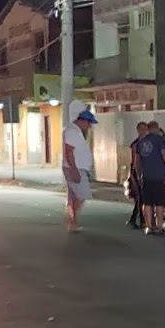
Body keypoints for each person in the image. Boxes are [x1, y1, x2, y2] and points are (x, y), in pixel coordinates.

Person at [132, 120, 165, 235]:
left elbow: (136, 162)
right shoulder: (159, 140)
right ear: (156, 128)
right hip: (158, 176)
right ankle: (159, 226)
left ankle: (149, 227)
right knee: (159, 202)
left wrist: (139, 175)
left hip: (146, 177)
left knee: (147, 202)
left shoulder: (141, 142)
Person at [61, 100, 96, 233]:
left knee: (73, 196)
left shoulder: (75, 131)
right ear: (82, 121)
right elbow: (69, 151)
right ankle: (72, 219)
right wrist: (74, 169)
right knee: (82, 195)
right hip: (76, 168)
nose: (89, 126)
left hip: (76, 167)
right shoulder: (72, 131)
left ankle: (72, 221)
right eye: (89, 123)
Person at [127, 121, 149, 229]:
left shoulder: (147, 143)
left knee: (141, 197)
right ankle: (141, 220)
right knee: (140, 196)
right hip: (137, 172)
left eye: (146, 129)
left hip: (144, 171)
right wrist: (136, 175)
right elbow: (134, 161)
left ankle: (134, 219)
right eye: (142, 129)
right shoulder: (136, 144)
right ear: (138, 130)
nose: (144, 131)